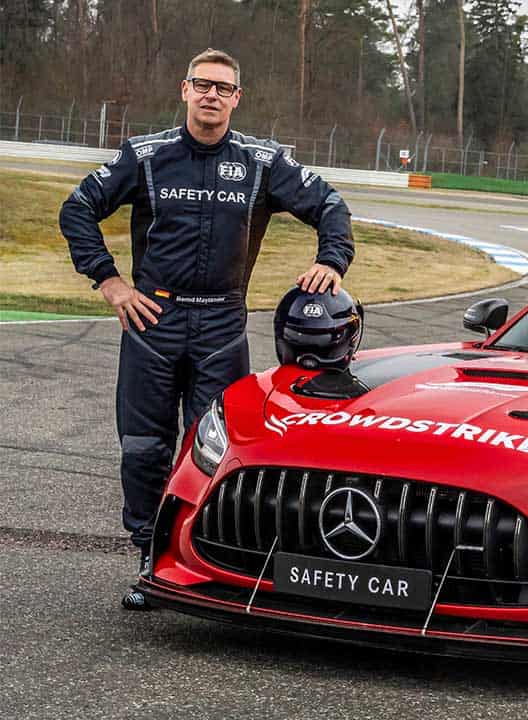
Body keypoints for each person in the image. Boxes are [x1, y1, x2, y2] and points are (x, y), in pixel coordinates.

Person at [59, 48, 355, 610]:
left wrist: (332, 260)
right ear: (185, 90)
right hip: (154, 320)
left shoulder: (263, 161)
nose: (212, 95)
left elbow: (331, 206)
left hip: (222, 322)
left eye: (223, 87)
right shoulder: (145, 155)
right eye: (202, 85)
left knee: (215, 451)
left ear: (237, 98)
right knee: (144, 449)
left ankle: (208, 563)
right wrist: (111, 283)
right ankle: (150, 562)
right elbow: (77, 208)